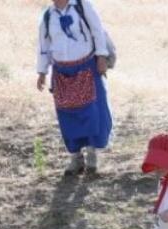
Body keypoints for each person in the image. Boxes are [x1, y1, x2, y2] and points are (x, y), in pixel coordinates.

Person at [36, 0, 113, 176]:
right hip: (61, 73)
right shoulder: (48, 16)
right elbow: (43, 47)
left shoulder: (82, 6)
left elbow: (97, 30)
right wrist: (42, 72)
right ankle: (76, 158)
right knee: (67, 115)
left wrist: (101, 56)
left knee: (91, 112)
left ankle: (92, 156)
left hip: (86, 67)